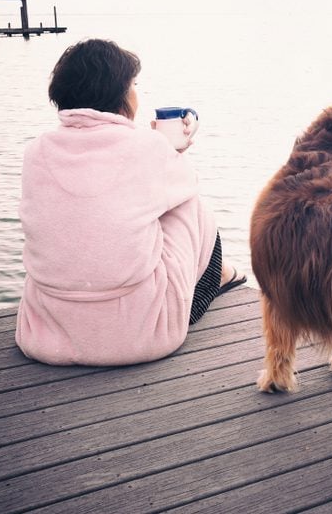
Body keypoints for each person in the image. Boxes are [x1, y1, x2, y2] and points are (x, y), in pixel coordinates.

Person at [15, 38, 246, 365]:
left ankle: (218, 275)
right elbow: (185, 186)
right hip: (140, 337)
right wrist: (170, 152)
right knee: (190, 204)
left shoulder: (36, 150)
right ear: (119, 94)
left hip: (44, 336)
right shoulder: (147, 146)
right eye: (133, 85)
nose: (136, 92)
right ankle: (219, 275)